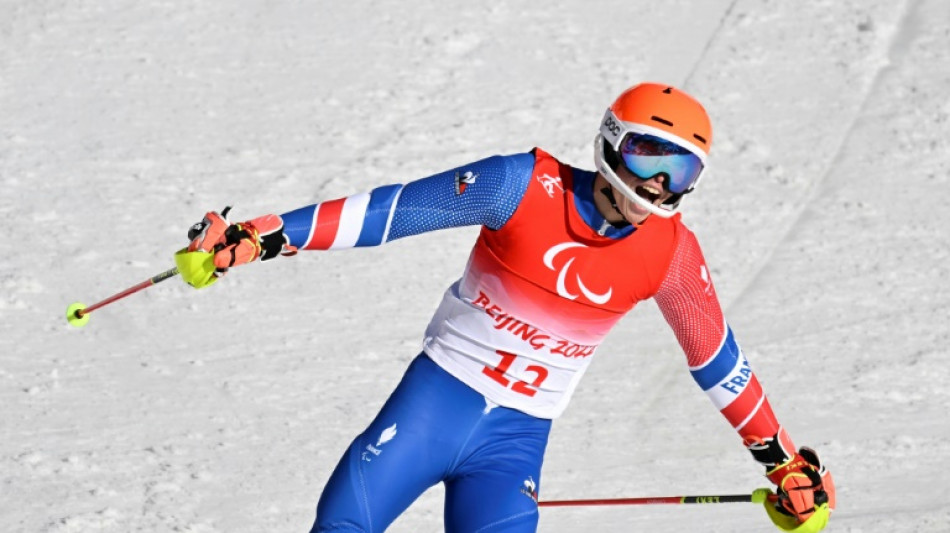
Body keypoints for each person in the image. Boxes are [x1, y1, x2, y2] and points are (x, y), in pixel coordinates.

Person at [176, 83, 836, 532]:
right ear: (611, 143)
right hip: (433, 405)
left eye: (682, 171)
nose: (660, 185)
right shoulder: (521, 186)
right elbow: (390, 212)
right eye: (648, 158)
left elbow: (718, 361)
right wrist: (264, 235)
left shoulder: (671, 253)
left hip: (514, 445)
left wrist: (783, 462)